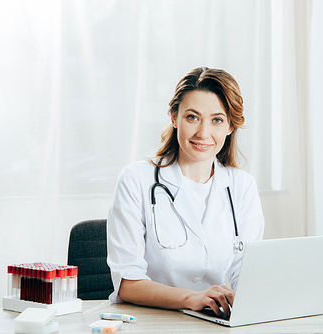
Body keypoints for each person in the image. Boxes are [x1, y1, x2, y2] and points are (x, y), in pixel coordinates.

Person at [106, 67, 265, 317]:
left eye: (217, 120)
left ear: (230, 126)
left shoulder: (242, 187)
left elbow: (245, 274)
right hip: (154, 321)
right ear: (174, 117)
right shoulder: (137, 179)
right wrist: (193, 298)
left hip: (216, 320)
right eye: (192, 117)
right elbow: (127, 283)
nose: (203, 133)